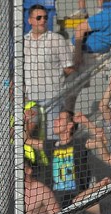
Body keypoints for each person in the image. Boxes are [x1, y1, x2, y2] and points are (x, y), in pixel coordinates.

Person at [25, 4, 75, 140]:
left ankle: (51, 162)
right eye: (39, 18)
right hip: (31, 98)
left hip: (53, 97)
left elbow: (69, 68)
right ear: (30, 20)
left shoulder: (57, 40)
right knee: (26, 135)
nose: (43, 21)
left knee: (52, 137)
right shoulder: (23, 42)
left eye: (45, 18)